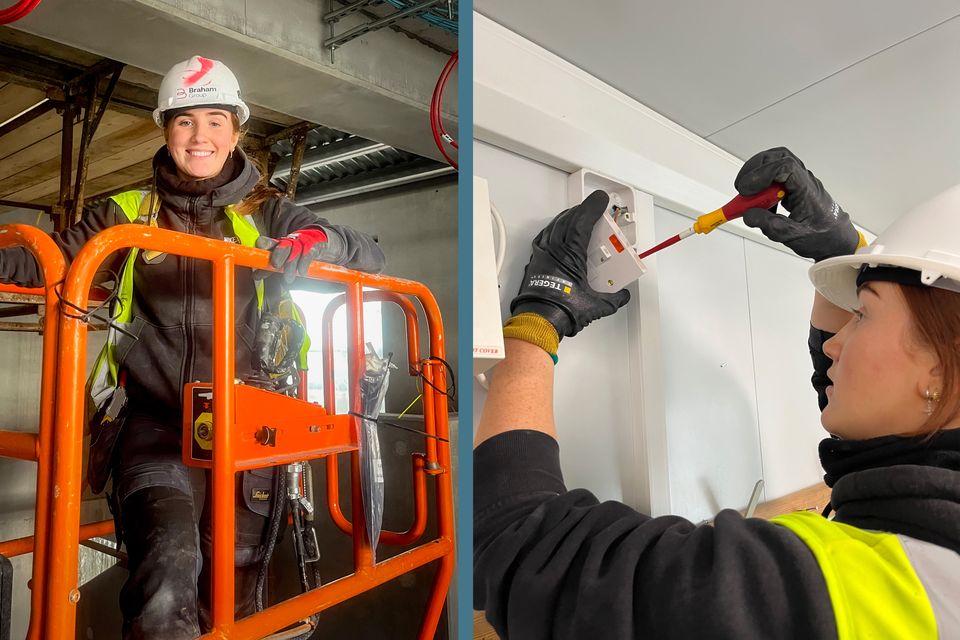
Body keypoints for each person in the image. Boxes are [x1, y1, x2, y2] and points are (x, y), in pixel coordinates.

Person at [473, 147, 960, 638]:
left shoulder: (842, 591)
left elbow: (516, 546)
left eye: (863, 314)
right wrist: (842, 252)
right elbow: (860, 405)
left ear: (942, 368)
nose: (832, 343)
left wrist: (537, 320)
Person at [0, 56, 385, 638]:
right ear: (165, 129)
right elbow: (43, 259)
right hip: (156, 424)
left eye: (213, 120)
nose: (199, 136)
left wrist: (320, 237)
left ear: (236, 130)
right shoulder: (128, 213)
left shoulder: (268, 212)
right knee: (166, 580)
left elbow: (371, 254)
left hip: (249, 427)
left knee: (238, 597)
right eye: (184, 121)